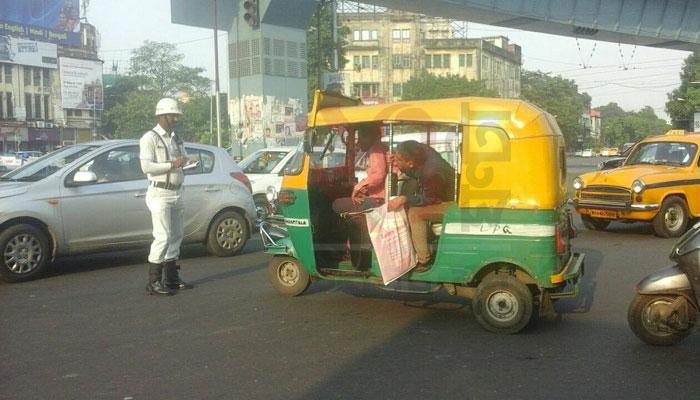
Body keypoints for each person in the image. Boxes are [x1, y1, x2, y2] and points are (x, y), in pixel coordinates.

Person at [139, 98, 192, 296]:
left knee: (176, 236)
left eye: (176, 115)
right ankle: (153, 281)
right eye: (172, 115)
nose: (175, 119)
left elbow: (182, 160)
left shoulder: (176, 137)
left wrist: (187, 161)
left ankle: (171, 278)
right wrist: (172, 164)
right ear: (161, 116)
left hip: (177, 191)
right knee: (162, 236)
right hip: (159, 192)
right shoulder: (149, 138)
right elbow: (146, 167)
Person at [388, 140, 455, 273]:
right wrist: (398, 159)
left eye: (399, 159)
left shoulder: (432, 172)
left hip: (451, 202)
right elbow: (416, 172)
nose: (395, 160)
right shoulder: (417, 150)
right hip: (439, 190)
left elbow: (430, 198)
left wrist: (405, 198)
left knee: (415, 213)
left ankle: (423, 259)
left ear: (410, 163)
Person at [332, 123, 387, 270]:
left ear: (369, 136)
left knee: (336, 204)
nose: (358, 142)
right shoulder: (378, 148)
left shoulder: (375, 150)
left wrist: (357, 188)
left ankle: (344, 250)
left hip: (379, 200)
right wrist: (363, 189)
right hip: (378, 196)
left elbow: (379, 175)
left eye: (359, 138)